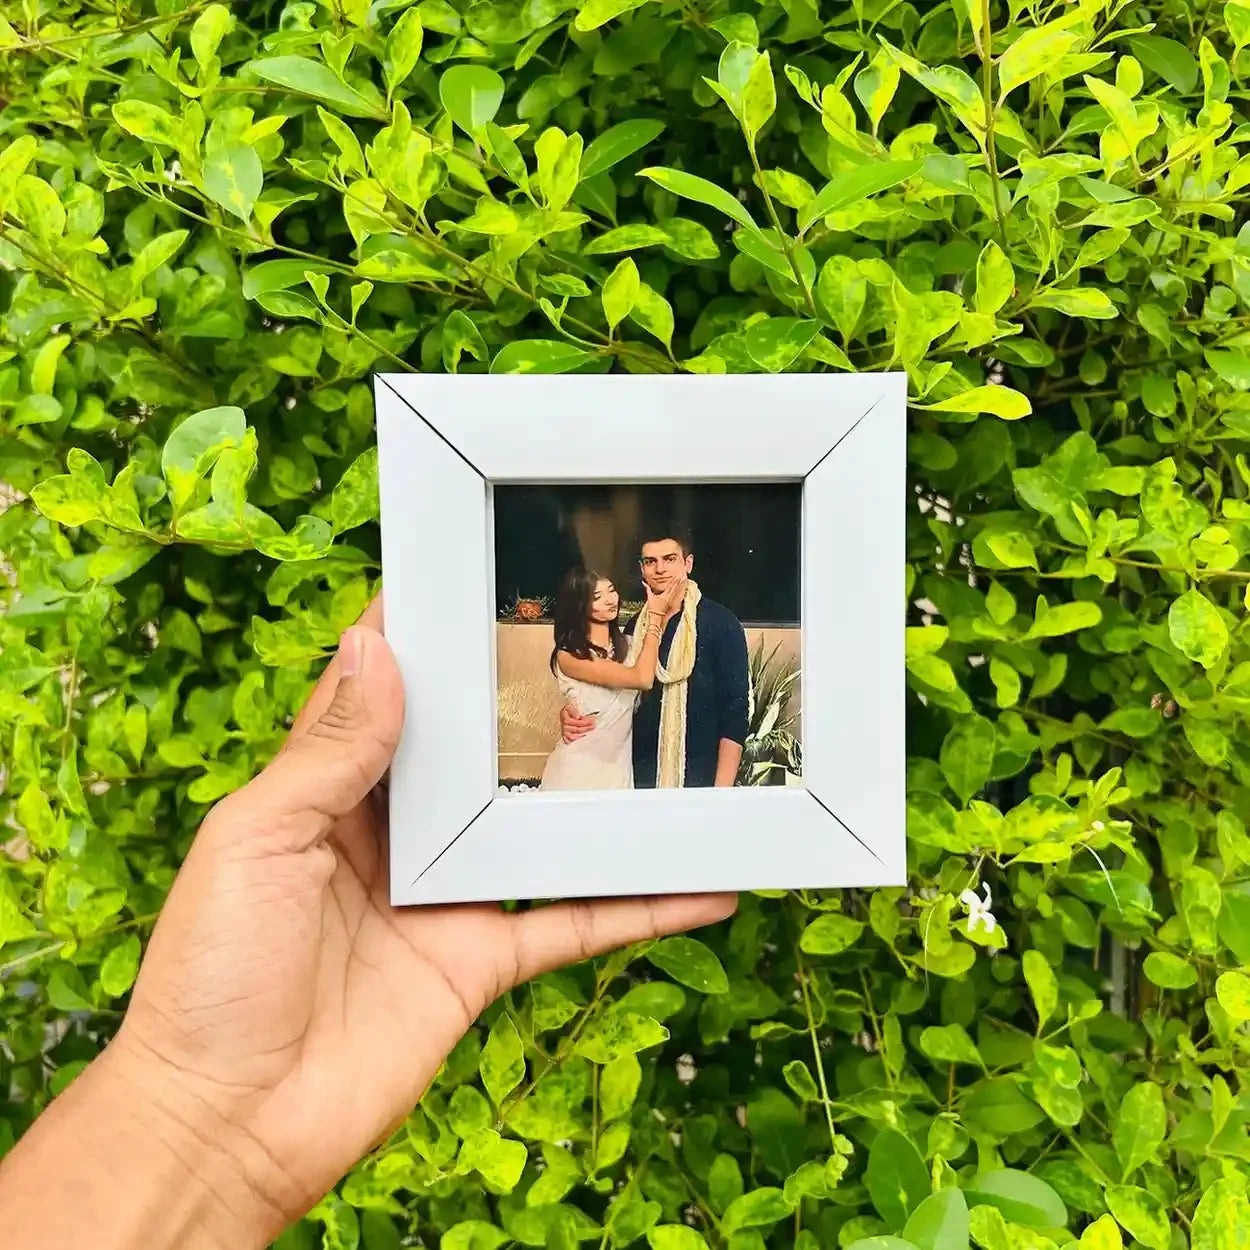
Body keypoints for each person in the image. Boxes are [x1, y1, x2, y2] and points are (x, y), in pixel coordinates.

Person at [0, 595, 738, 1249]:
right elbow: (639, 682)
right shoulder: (581, 648)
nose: (618, 589)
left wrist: (203, 1122)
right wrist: (196, 1109)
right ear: (582, 605)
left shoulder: (627, 637)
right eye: (609, 584)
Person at [560, 525, 750, 789]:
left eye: (669, 559)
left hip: (700, 781)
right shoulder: (633, 630)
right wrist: (573, 711)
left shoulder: (721, 623)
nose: (659, 569)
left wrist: (721, 792)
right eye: (651, 562)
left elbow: (735, 712)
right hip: (636, 779)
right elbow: (612, 692)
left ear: (688, 564)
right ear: (642, 570)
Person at [540, 568, 683, 790]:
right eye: (597, 597)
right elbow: (642, 679)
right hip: (577, 772)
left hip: (618, 771)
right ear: (578, 606)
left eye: (612, 591)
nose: (610, 600)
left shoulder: (631, 645)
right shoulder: (569, 656)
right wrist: (655, 616)